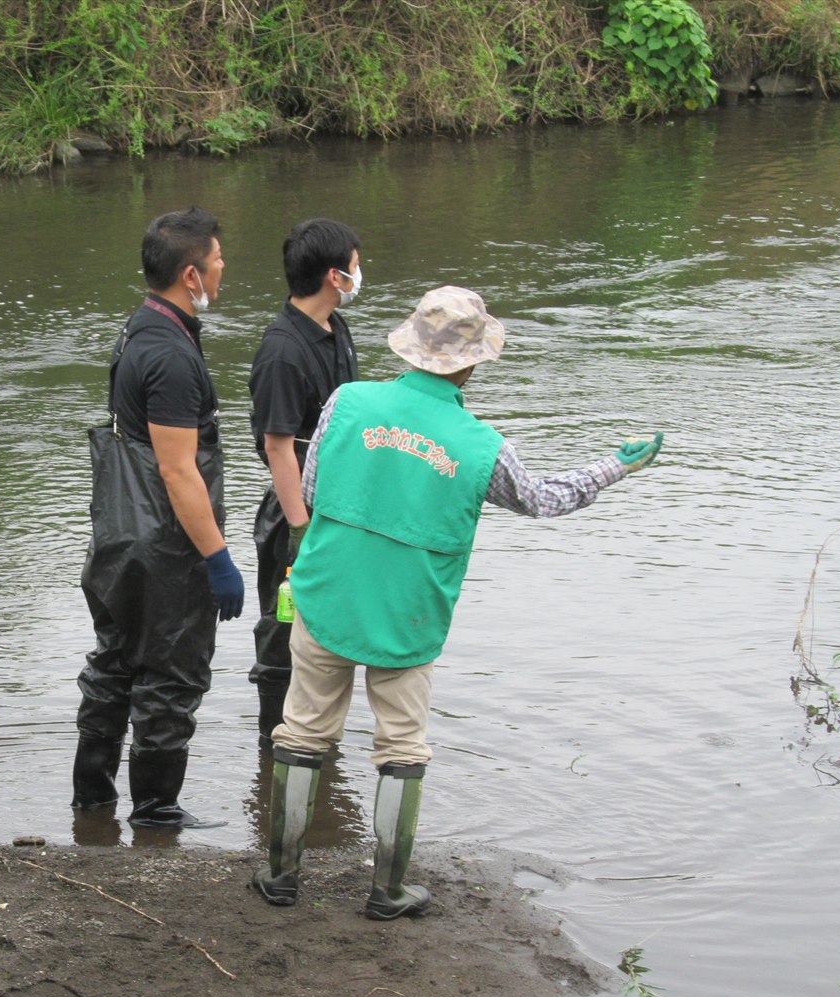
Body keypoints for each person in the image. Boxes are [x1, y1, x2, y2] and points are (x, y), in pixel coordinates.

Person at [253, 287, 664, 917]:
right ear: (472, 363)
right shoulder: (482, 446)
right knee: (402, 746)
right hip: (408, 610)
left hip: (327, 591)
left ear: (411, 344)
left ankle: (281, 877)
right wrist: (615, 466)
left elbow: (311, 490)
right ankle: (387, 890)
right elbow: (545, 500)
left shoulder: (346, 403)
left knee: (303, 729)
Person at [72, 207, 244, 831]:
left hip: (119, 535)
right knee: (171, 671)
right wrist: (218, 558)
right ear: (191, 274)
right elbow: (176, 470)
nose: (226, 269)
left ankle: (92, 802)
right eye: (219, 261)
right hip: (165, 545)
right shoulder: (171, 354)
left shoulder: (139, 328)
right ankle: (155, 811)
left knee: (115, 660)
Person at [247, 218, 362, 748]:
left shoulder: (335, 330)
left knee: (331, 634)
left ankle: (318, 749)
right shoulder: (283, 351)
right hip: (295, 514)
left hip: (335, 506)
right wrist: (299, 527)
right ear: (335, 276)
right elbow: (277, 447)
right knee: (283, 633)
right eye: (356, 264)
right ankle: (277, 760)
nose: (362, 273)